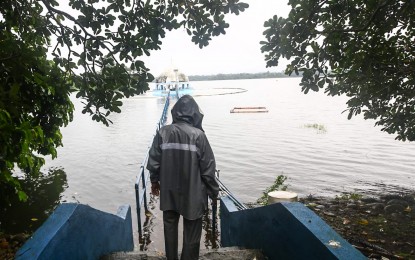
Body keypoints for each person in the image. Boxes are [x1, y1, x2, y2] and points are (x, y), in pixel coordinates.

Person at [147, 95, 219, 260]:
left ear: (175, 113)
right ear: (194, 114)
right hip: (193, 194)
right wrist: (214, 193)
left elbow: (154, 161)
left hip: (169, 191)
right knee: (192, 234)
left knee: (170, 228)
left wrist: (154, 182)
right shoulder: (199, 135)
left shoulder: (163, 133)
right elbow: (208, 170)